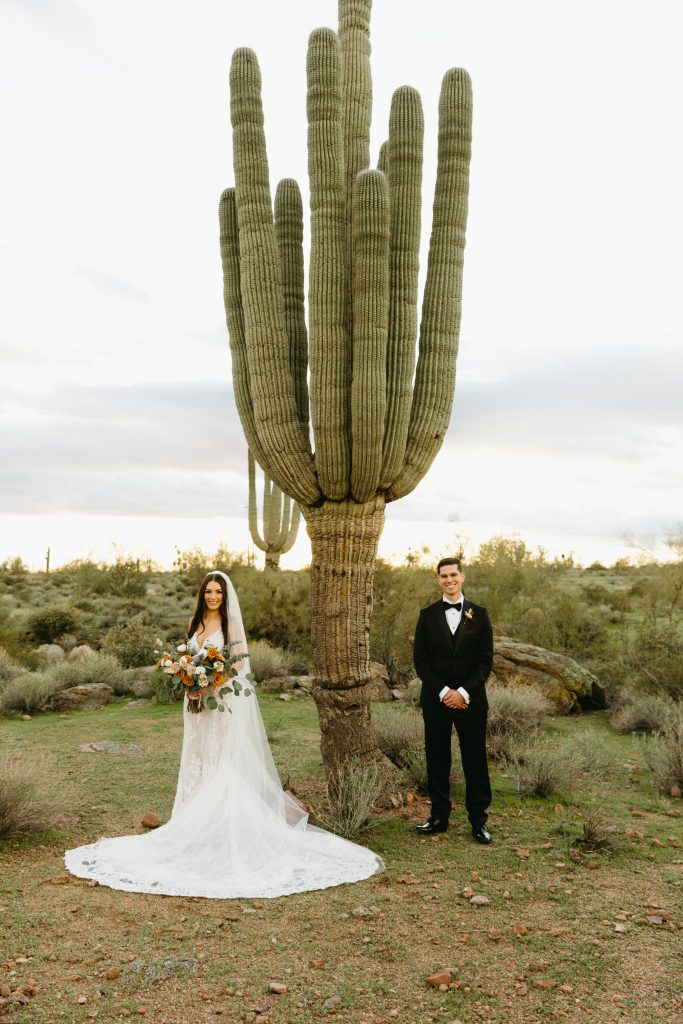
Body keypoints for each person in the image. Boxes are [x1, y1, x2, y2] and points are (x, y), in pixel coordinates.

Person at [65, 570, 383, 897]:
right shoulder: (196, 622)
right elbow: (187, 660)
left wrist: (210, 684)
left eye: (218, 592)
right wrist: (188, 680)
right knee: (199, 758)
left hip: (222, 704)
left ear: (224, 595)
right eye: (209, 592)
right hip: (196, 708)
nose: (213, 596)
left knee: (222, 761)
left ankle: (223, 827)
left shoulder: (230, 626)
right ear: (203, 595)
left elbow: (240, 669)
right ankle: (193, 824)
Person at [412, 557, 494, 843]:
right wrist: (445, 692)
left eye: (453, 575)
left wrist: (464, 693)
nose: (449, 580)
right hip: (437, 701)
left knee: (475, 759)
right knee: (437, 758)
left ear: (462, 576)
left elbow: (485, 661)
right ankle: (438, 817)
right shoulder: (427, 614)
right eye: (443, 576)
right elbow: (421, 661)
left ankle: (479, 820)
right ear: (438, 579)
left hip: (471, 702)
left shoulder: (480, 614)